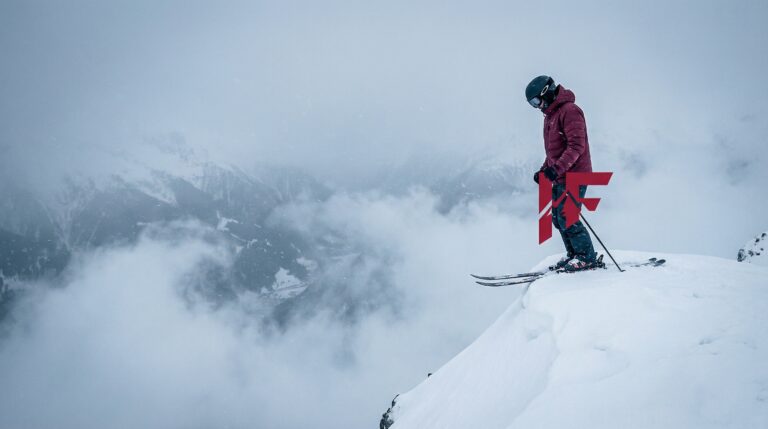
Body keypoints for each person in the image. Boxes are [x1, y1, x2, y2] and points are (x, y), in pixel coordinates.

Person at [526, 75, 603, 272]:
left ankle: (586, 257)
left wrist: (556, 169)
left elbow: (577, 146)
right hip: (562, 175)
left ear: (548, 92)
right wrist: (545, 169)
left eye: (536, 101)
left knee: (568, 216)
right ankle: (574, 255)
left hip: (576, 174)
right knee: (558, 219)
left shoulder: (570, 111)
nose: (537, 106)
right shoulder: (551, 115)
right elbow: (554, 151)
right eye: (532, 104)